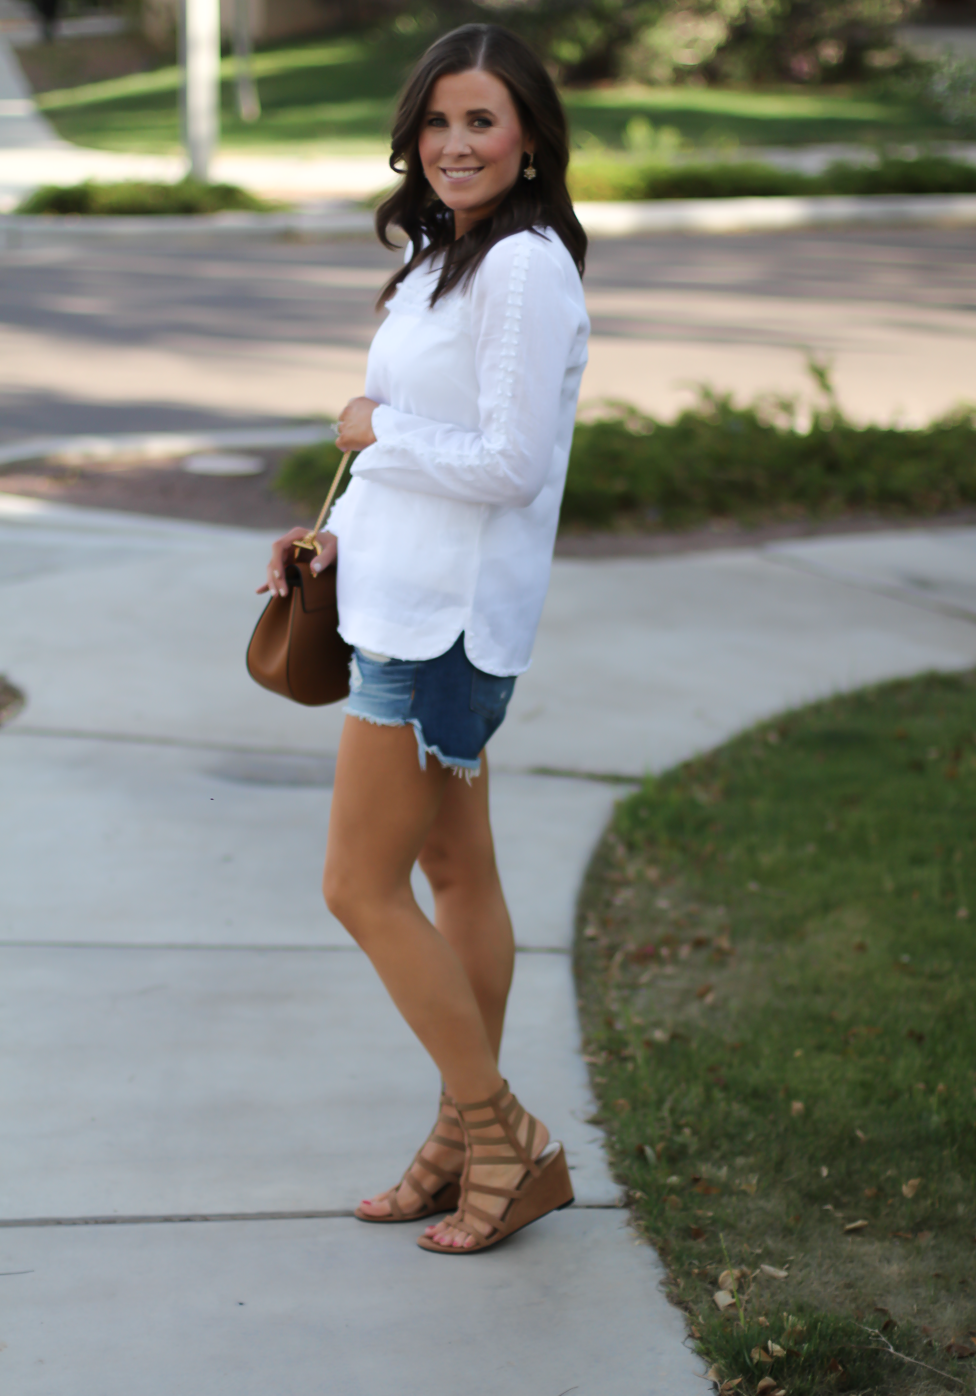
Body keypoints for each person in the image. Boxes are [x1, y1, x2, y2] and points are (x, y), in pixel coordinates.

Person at [260, 23, 590, 1254]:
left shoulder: (523, 268)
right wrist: (342, 536)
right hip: (402, 595)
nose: (456, 143)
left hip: (441, 629)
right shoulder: (443, 258)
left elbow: (507, 464)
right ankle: (465, 1143)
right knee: (454, 875)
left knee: (357, 883)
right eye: (440, 121)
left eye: (483, 122)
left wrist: (369, 430)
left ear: (529, 139)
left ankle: (500, 1131)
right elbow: (420, 447)